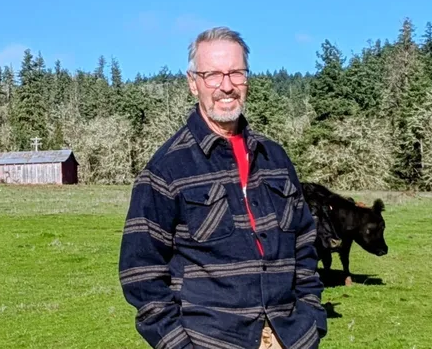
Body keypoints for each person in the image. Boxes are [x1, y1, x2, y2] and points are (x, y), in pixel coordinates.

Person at [118, 27, 328, 349]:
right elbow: (141, 274)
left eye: (236, 73)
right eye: (213, 74)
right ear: (193, 83)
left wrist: (311, 319)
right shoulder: (165, 170)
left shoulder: (275, 158)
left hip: (291, 338)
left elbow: (305, 244)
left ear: (247, 79)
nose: (226, 86)